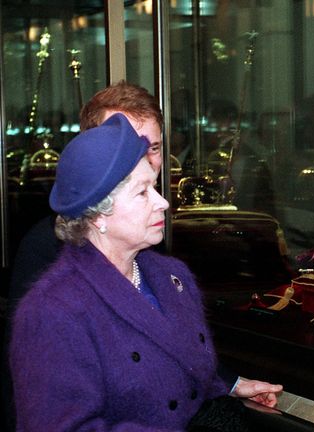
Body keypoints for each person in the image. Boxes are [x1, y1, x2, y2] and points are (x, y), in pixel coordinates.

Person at [9, 113, 282, 431]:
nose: (163, 202)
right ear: (98, 215)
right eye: (142, 192)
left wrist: (230, 386)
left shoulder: (172, 278)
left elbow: (178, 371)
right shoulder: (52, 310)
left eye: (155, 186)